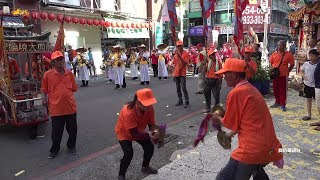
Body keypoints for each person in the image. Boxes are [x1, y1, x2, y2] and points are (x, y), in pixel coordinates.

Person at [212, 58, 283, 179]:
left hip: (252, 148)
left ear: (233, 75)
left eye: (225, 74)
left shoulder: (237, 92)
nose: (223, 77)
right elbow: (248, 121)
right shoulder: (251, 89)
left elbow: (230, 123)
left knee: (223, 178)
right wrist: (230, 135)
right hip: (268, 145)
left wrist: (217, 117)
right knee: (257, 171)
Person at [115, 88, 159, 180]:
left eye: (150, 103)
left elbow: (151, 124)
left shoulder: (149, 108)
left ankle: (145, 167)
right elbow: (134, 134)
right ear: (138, 102)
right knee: (128, 153)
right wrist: (149, 135)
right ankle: (121, 174)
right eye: (146, 105)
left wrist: (156, 134)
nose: (149, 107)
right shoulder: (128, 112)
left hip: (139, 131)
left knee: (149, 147)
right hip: (124, 133)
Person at [41, 51, 78, 159]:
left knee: (73, 130)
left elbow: (74, 88)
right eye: (58, 59)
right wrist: (43, 98)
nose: (61, 61)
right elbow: (44, 89)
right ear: (53, 62)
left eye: (61, 59)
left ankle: (71, 146)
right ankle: (55, 149)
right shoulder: (47, 75)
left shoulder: (69, 73)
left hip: (70, 107)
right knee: (56, 132)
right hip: (56, 109)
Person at [269, 40, 295, 111]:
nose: (279, 46)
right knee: (275, 89)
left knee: (283, 90)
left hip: (283, 75)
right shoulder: (274, 54)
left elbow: (292, 64)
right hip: (275, 75)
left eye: (281, 45)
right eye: (279, 45)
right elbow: (271, 63)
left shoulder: (288, 54)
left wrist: (287, 71)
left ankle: (283, 104)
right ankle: (277, 102)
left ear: (284, 46)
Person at [300, 49, 319, 121]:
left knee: (317, 101)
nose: (311, 58)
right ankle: (309, 115)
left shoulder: (318, 65)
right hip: (307, 84)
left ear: (317, 56)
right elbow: (301, 70)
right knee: (308, 99)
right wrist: (303, 76)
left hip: (316, 86)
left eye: (313, 56)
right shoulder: (306, 64)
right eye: (310, 56)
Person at [202, 49, 222, 113]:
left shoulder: (218, 62)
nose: (213, 56)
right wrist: (204, 64)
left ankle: (217, 109)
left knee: (216, 96)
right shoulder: (208, 62)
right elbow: (205, 71)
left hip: (216, 80)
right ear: (210, 56)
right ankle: (208, 107)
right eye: (212, 55)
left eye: (214, 54)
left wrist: (220, 83)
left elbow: (221, 73)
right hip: (208, 80)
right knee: (206, 93)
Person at [173, 40, 190, 108]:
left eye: (180, 46)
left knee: (183, 88)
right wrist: (174, 74)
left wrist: (180, 56)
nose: (179, 47)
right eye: (178, 46)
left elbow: (185, 63)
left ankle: (187, 101)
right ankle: (180, 100)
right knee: (178, 88)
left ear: (182, 46)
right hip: (177, 73)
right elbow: (175, 65)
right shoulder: (175, 55)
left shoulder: (186, 54)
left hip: (182, 73)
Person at [311, 41, 320, 131]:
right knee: (318, 104)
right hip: (317, 84)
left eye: (319, 45)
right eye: (317, 45)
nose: (317, 47)